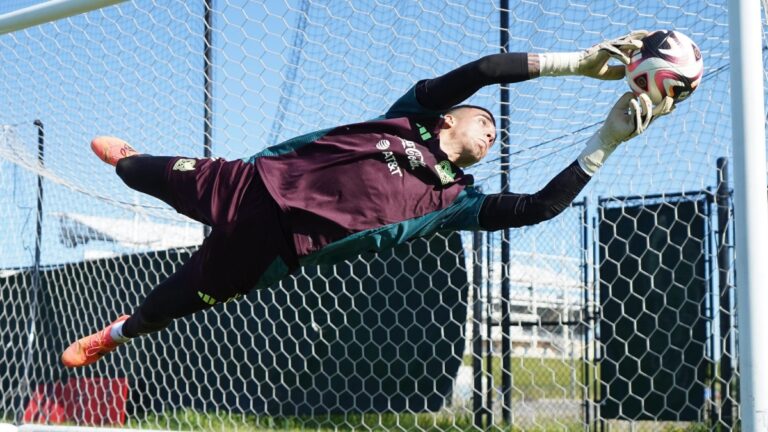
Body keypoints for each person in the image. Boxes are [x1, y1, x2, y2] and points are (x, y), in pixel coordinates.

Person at [62, 30, 673, 368]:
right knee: (136, 170)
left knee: (168, 304)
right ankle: (128, 158)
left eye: (496, 135)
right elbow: (486, 69)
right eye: (483, 121)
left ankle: (116, 334)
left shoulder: (454, 201)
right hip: (248, 184)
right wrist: (580, 63)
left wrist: (608, 139)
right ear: (447, 120)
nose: (491, 132)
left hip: (275, 249)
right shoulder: (410, 117)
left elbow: (540, 208)